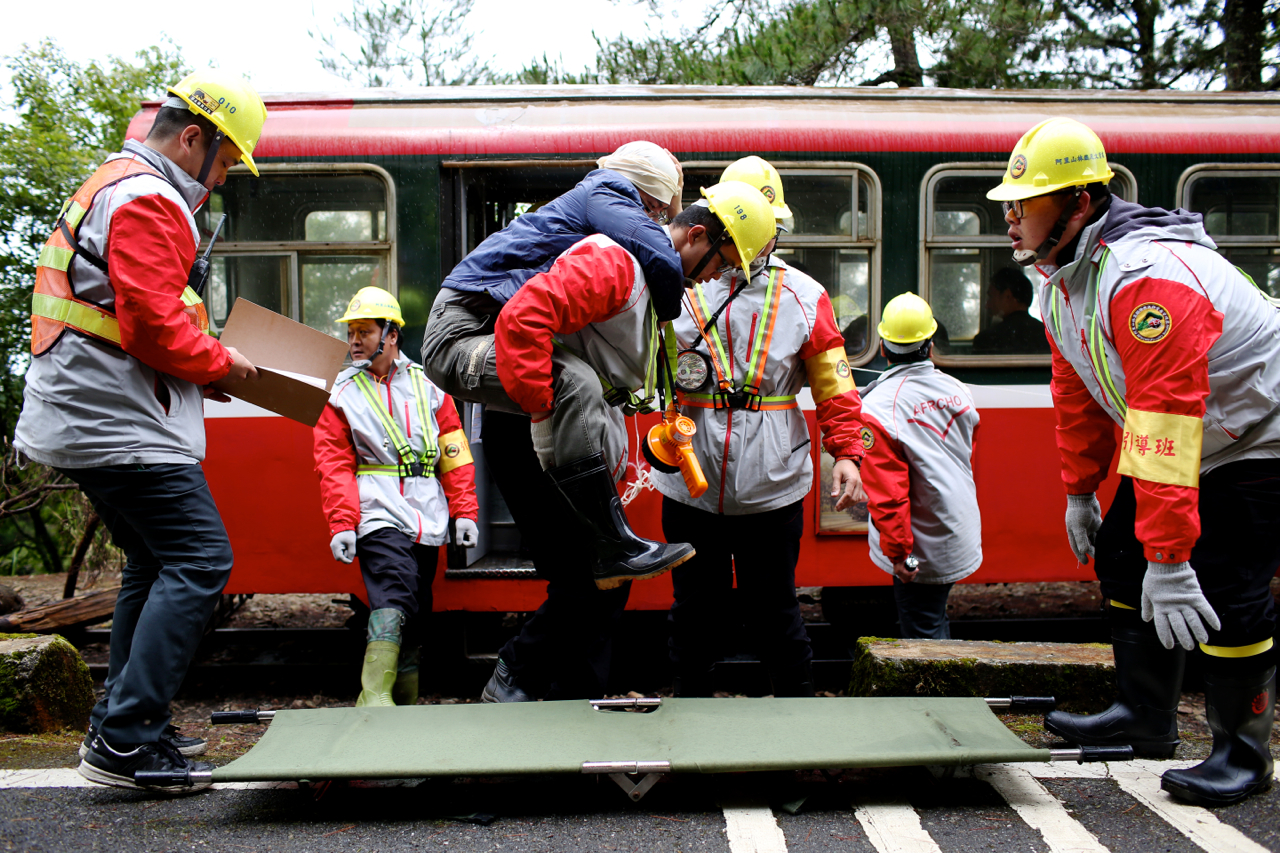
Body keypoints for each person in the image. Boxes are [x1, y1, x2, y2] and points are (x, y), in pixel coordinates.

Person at [987, 117, 1280, 806]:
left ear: (1079, 203)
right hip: (1199, 440)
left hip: (1258, 438)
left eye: (1024, 204)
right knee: (1122, 552)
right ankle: (1144, 717)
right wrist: (1079, 491)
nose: (1010, 219)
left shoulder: (1148, 277)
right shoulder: (1062, 281)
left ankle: (1243, 753)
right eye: (1008, 205)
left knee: (1228, 585)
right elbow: (1077, 391)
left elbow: (1164, 417)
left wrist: (1172, 559)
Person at [12, 70, 265, 792]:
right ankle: (125, 740)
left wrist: (205, 369)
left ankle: (123, 725)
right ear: (192, 138)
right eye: (225, 161)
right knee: (201, 559)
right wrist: (221, 363)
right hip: (115, 419)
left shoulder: (117, 183)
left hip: (92, 412)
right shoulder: (150, 197)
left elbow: (136, 316)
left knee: (153, 563)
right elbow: (153, 325)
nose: (222, 178)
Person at [480, 183, 778, 703]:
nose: (717, 278)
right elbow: (523, 320)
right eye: (722, 264)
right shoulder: (617, 264)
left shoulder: (655, 279)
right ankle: (517, 674)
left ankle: (571, 701)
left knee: (608, 580)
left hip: (568, 441)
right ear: (697, 235)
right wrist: (546, 413)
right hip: (540, 438)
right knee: (589, 580)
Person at [421, 141, 693, 590]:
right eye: (657, 210)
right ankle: (611, 544)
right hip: (459, 334)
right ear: (642, 193)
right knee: (573, 381)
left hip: (480, 323)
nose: (656, 219)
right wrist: (666, 310)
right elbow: (661, 256)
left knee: (576, 381)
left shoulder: (596, 200)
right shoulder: (606, 191)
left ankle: (607, 543)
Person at [655, 157, 867, 698]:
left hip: (772, 486)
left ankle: (796, 714)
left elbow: (835, 384)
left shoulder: (805, 295)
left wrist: (847, 453)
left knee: (775, 610)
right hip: (690, 481)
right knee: (693, 611)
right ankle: (688, 714)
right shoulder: (677, 281)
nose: (764, 242)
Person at [313, 287, 479, 707]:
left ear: (391, 335)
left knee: (418, 606)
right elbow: (333, 463)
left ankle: (402, 703)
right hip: (377, 509)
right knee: (395, 588)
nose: (354, 341)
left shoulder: (429, 385)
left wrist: (464, 511)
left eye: (364, 332)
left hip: (427, 514)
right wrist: (342, 523)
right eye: (351, 332)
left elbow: (454, 453)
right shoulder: (341, 394)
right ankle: (373, 697)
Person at [859, 293, 981, 640]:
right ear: (930, 346)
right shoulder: (958, 390)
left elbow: (888, 493)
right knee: (934, 617)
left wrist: (899, 554)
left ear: (882, 347)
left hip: (919, 544)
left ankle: (942, 678)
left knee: (924, 635)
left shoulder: (878, 407)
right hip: (957, 526)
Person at [971, 267, 1050, 354]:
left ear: (1007, 296)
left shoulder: (987, 340)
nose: (987, 305)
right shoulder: (1049, 336)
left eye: (991, 296)